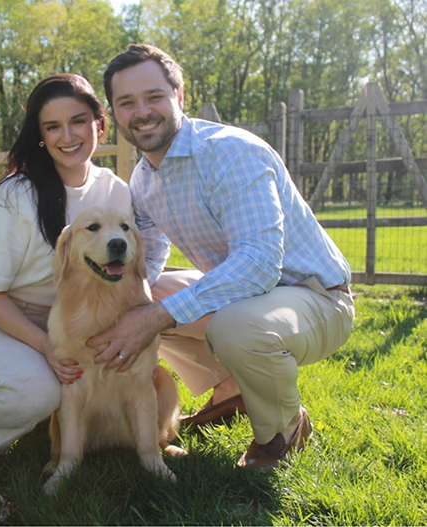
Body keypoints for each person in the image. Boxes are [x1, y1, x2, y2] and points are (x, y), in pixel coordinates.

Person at [88, 44, 355, 468]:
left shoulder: (231, 152)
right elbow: (151, 252)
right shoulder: (142, 178)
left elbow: (261, 261)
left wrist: (157, 316)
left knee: (221, 323)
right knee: (140, 294)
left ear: (179, 96)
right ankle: (232, 391)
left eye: (154, 96)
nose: (142, 111)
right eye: (127, 103)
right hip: (248, 300)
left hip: (315, 297)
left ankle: (284, 431)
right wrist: (137, 303)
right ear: (115, 113)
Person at [0, 74, 132, 455]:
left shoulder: (115, 190)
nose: (68, 136)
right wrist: (45, 346)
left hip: (68, 320)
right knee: (37, 391)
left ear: (99, 121)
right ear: (40, 135)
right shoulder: (14, 195)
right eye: (52, 127)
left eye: (78, 120)